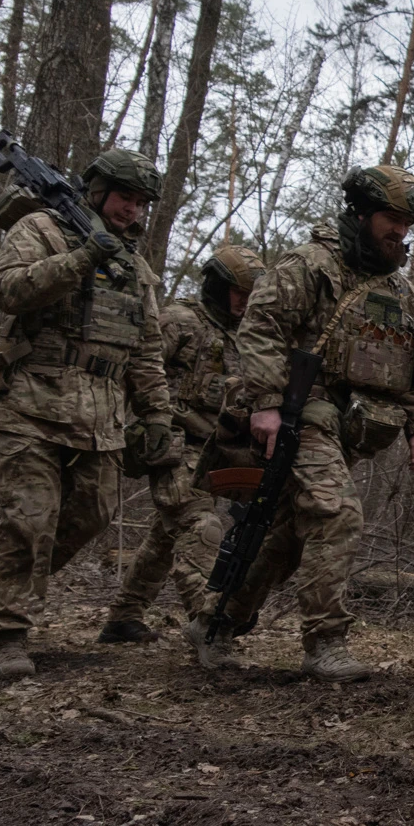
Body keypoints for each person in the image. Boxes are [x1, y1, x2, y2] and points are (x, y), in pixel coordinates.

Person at [197, 166, 414, 681]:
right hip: (297, 416)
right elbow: (260, 328)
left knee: (285, 536)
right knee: (337, 515)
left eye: (407, 222)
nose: (400, 231)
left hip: (350, 429)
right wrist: (264, 402)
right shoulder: (311, 265)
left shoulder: (399, 291)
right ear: (362, 213)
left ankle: (218, 622)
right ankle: (325, 642)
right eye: (392, 218)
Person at [0, 150, 176, 677]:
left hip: (102, 416)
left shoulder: (134, 266)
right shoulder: (43, 228)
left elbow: (146, 349)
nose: (132, 209)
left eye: (141, 202)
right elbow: (6, 290)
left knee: (93, 515)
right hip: (33, 403)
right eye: (125, 197)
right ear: (98, 189)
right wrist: (81, 260)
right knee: (28, 521)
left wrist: (157, 416)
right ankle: (7, 633)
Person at [98, 244, 264, 644]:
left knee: (166, 532)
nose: (245, 303)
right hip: (172, 441)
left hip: (219, 450)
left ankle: (124, 616)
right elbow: (134, 372)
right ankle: (209, 621)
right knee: (199, 524)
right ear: (218, 286)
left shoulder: (250, 336)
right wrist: (114, 429)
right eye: (239, 293)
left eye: (252, 296)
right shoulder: (178, 321)